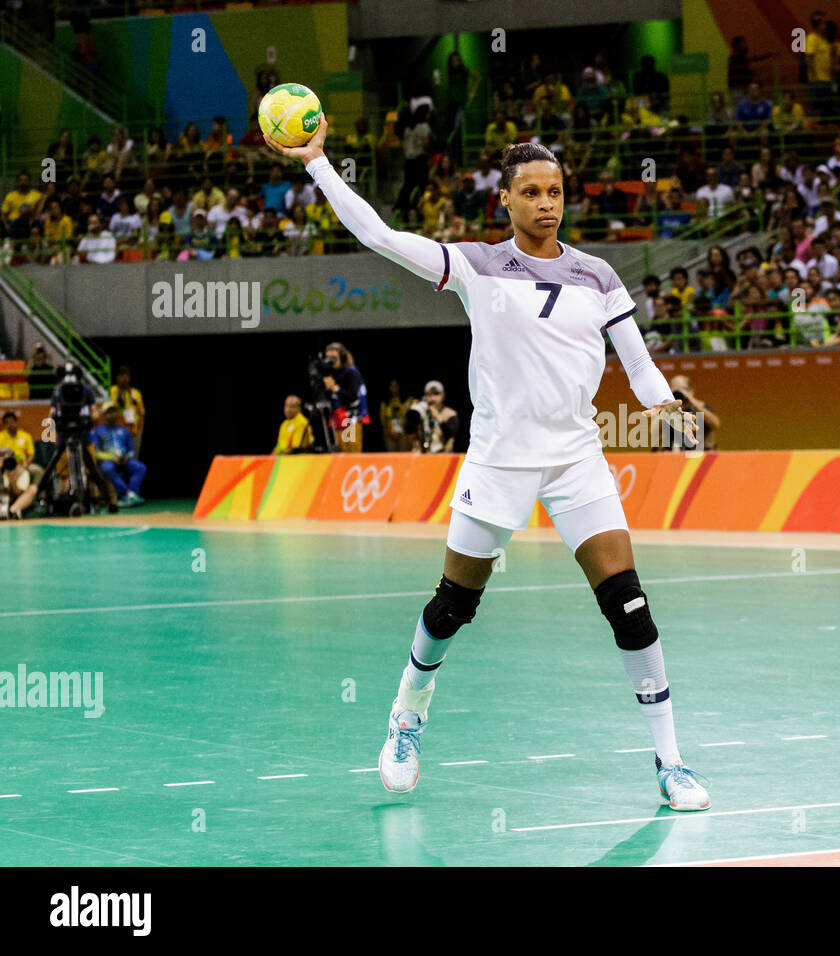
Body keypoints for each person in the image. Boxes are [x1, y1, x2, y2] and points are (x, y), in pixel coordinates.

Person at [265, 120, 710, 809]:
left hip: (576, 462)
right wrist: (319, 163)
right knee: (452, 607)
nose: (546, 202)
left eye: (555, 190)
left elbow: (642, 370)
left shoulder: (598, 276)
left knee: (629, 605)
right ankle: (407, 712)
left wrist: (673, 408)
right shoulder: (473, 264)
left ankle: (671, 761)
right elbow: (379, 237)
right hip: (499, 464)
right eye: (530, 191)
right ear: (504, 199)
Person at [90, 404, 146, 507]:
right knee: (108, 468)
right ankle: (127, 494)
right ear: (104, 415)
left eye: (114, 412)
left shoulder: (124, 431)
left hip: (124, 460)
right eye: (109, 412)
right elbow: (96, 453)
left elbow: (131, 450)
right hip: (107, 461)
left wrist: (126, 457)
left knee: (140, 467)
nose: (112, 415)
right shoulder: (98, 431)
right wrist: (112, 458)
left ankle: (131, 494)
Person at [321, 341, 369, 453]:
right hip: (338, 420)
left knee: (351, 455)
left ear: (342, 357)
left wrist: (335, 388)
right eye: (328, 358)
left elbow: (352, 398)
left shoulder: (352, 372)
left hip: (350, 420)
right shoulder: (333, 374)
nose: (330, 361)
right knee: (340, 455)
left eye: (333, 358)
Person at [0, 410, 41, 519]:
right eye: (7, 422)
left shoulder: (25, 436)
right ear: (4, 424)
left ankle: (13, 510)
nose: (10, 424)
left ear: (16, 422)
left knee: (35, 480)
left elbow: (31, 455)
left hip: (21, 465)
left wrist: (24, 467)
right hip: (3, 468)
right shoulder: (1, 437)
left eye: (12, 422)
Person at [405, 380, 459, 453]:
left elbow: (452, 433)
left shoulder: (450, 413)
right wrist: (413, 414)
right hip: (424, 455)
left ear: (443, 395)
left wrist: (438, 417)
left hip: (444, 456)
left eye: (436, 394)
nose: (432, 397)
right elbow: (409, 433)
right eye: (429, 394)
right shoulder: (421, 411)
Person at [108, 365, 146, 457]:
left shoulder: (136, 393)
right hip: (116, 432)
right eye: (122, 375)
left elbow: (141, 414)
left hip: (133, 433)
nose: (125, 378)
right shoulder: (111, 391)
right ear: (117, 378)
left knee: (132, 460)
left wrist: (139, 433)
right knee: (117, 460)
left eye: (127, 375)